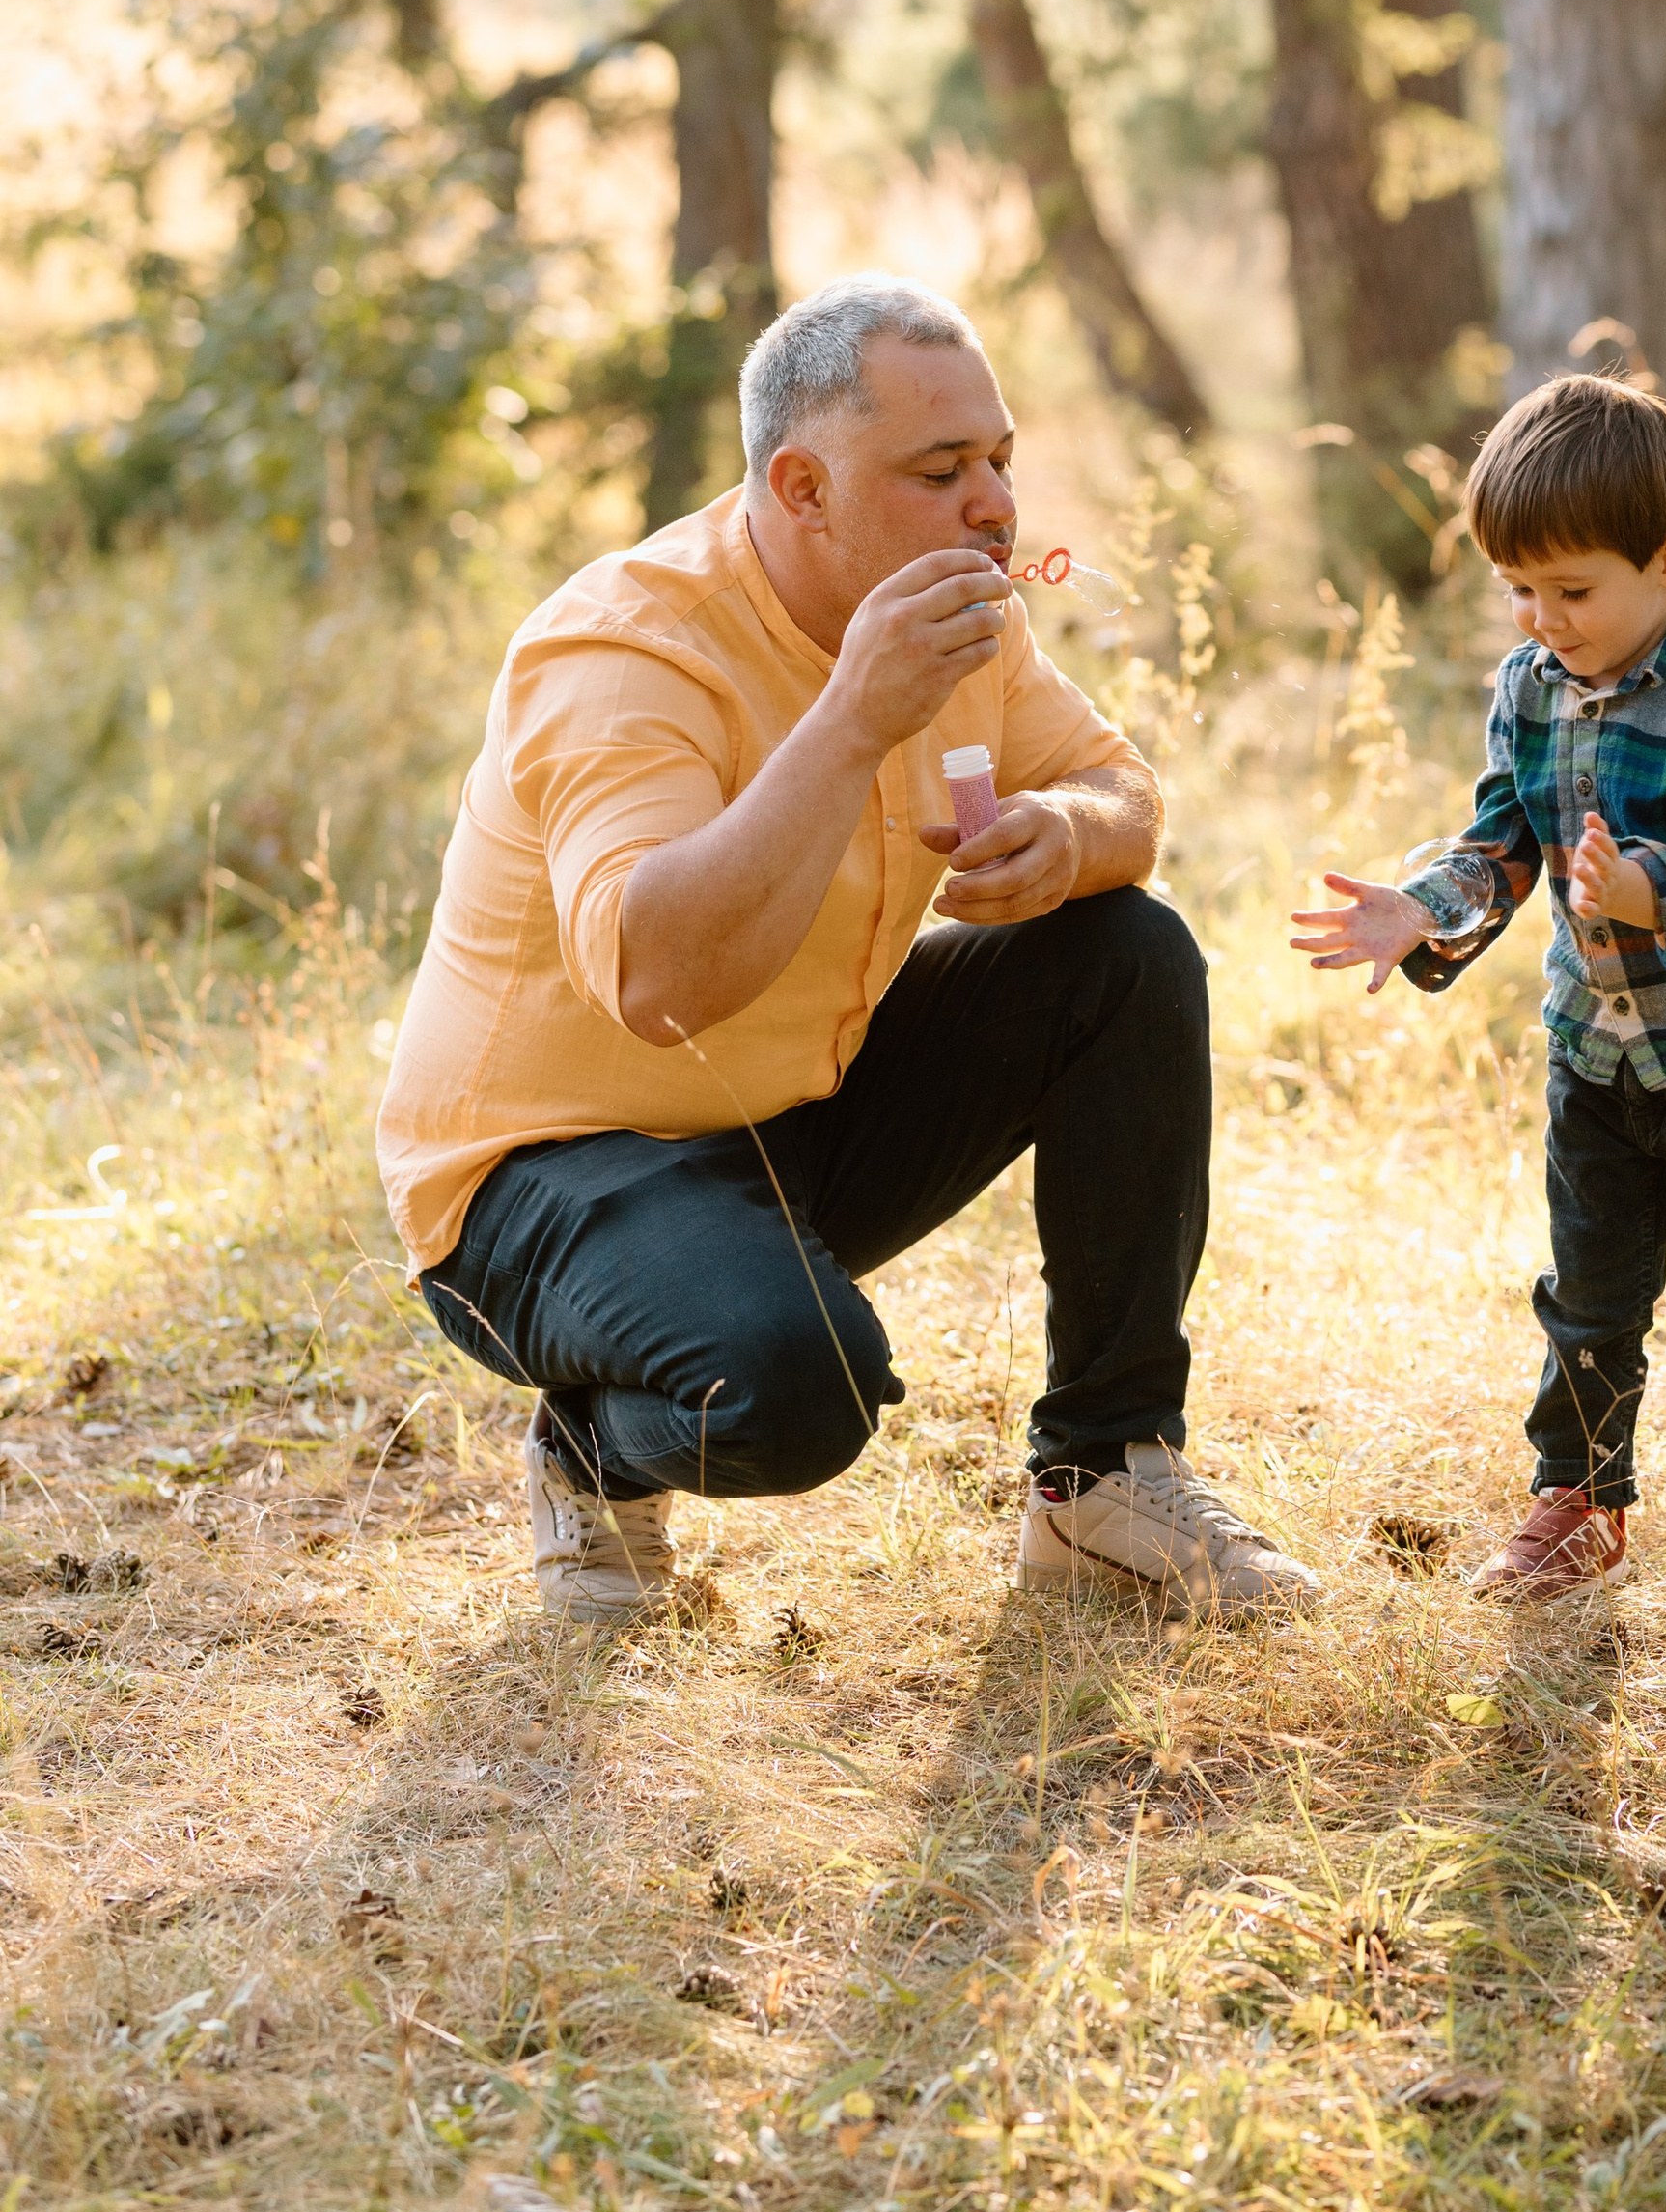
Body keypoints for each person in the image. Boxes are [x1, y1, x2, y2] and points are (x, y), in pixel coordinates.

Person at [377, 274, 1319, 1626]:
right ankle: (590, 1451)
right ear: (804, 487)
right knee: (799, 1390)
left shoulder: (959, 609)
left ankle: (1104, 1476)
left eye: (1000, 461)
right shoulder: (621, 653)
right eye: (941, 472)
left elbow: (1128, 797)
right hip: (540, 1181)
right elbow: (658, 983)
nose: (994, 505)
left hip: (785, 1115)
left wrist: (1063, 833)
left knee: (1129, 950)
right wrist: (855, 716)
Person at [1291, 371, 1666, 1600]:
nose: (1544, 617)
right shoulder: (1529, 688)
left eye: (1573, 590)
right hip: (1594, 1046)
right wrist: (1416, 908)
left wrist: (1645, 889)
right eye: (1520, 592)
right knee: (1590, 1292)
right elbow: (1500, 844)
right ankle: (1582, 1501)